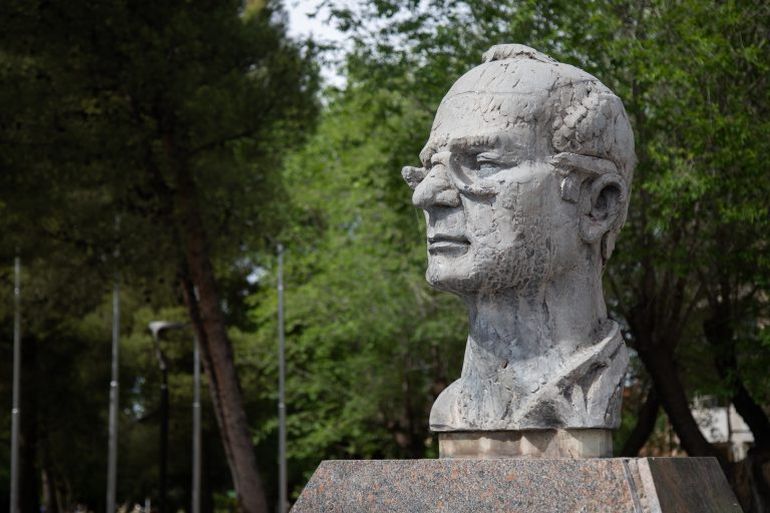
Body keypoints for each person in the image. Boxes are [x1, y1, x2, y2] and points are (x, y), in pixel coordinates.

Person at [402, 44, 636, 434]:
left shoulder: (593, 403)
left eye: (481, 163)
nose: (426, 195)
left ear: (598, 204)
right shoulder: (450, 408)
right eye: (429, 168)